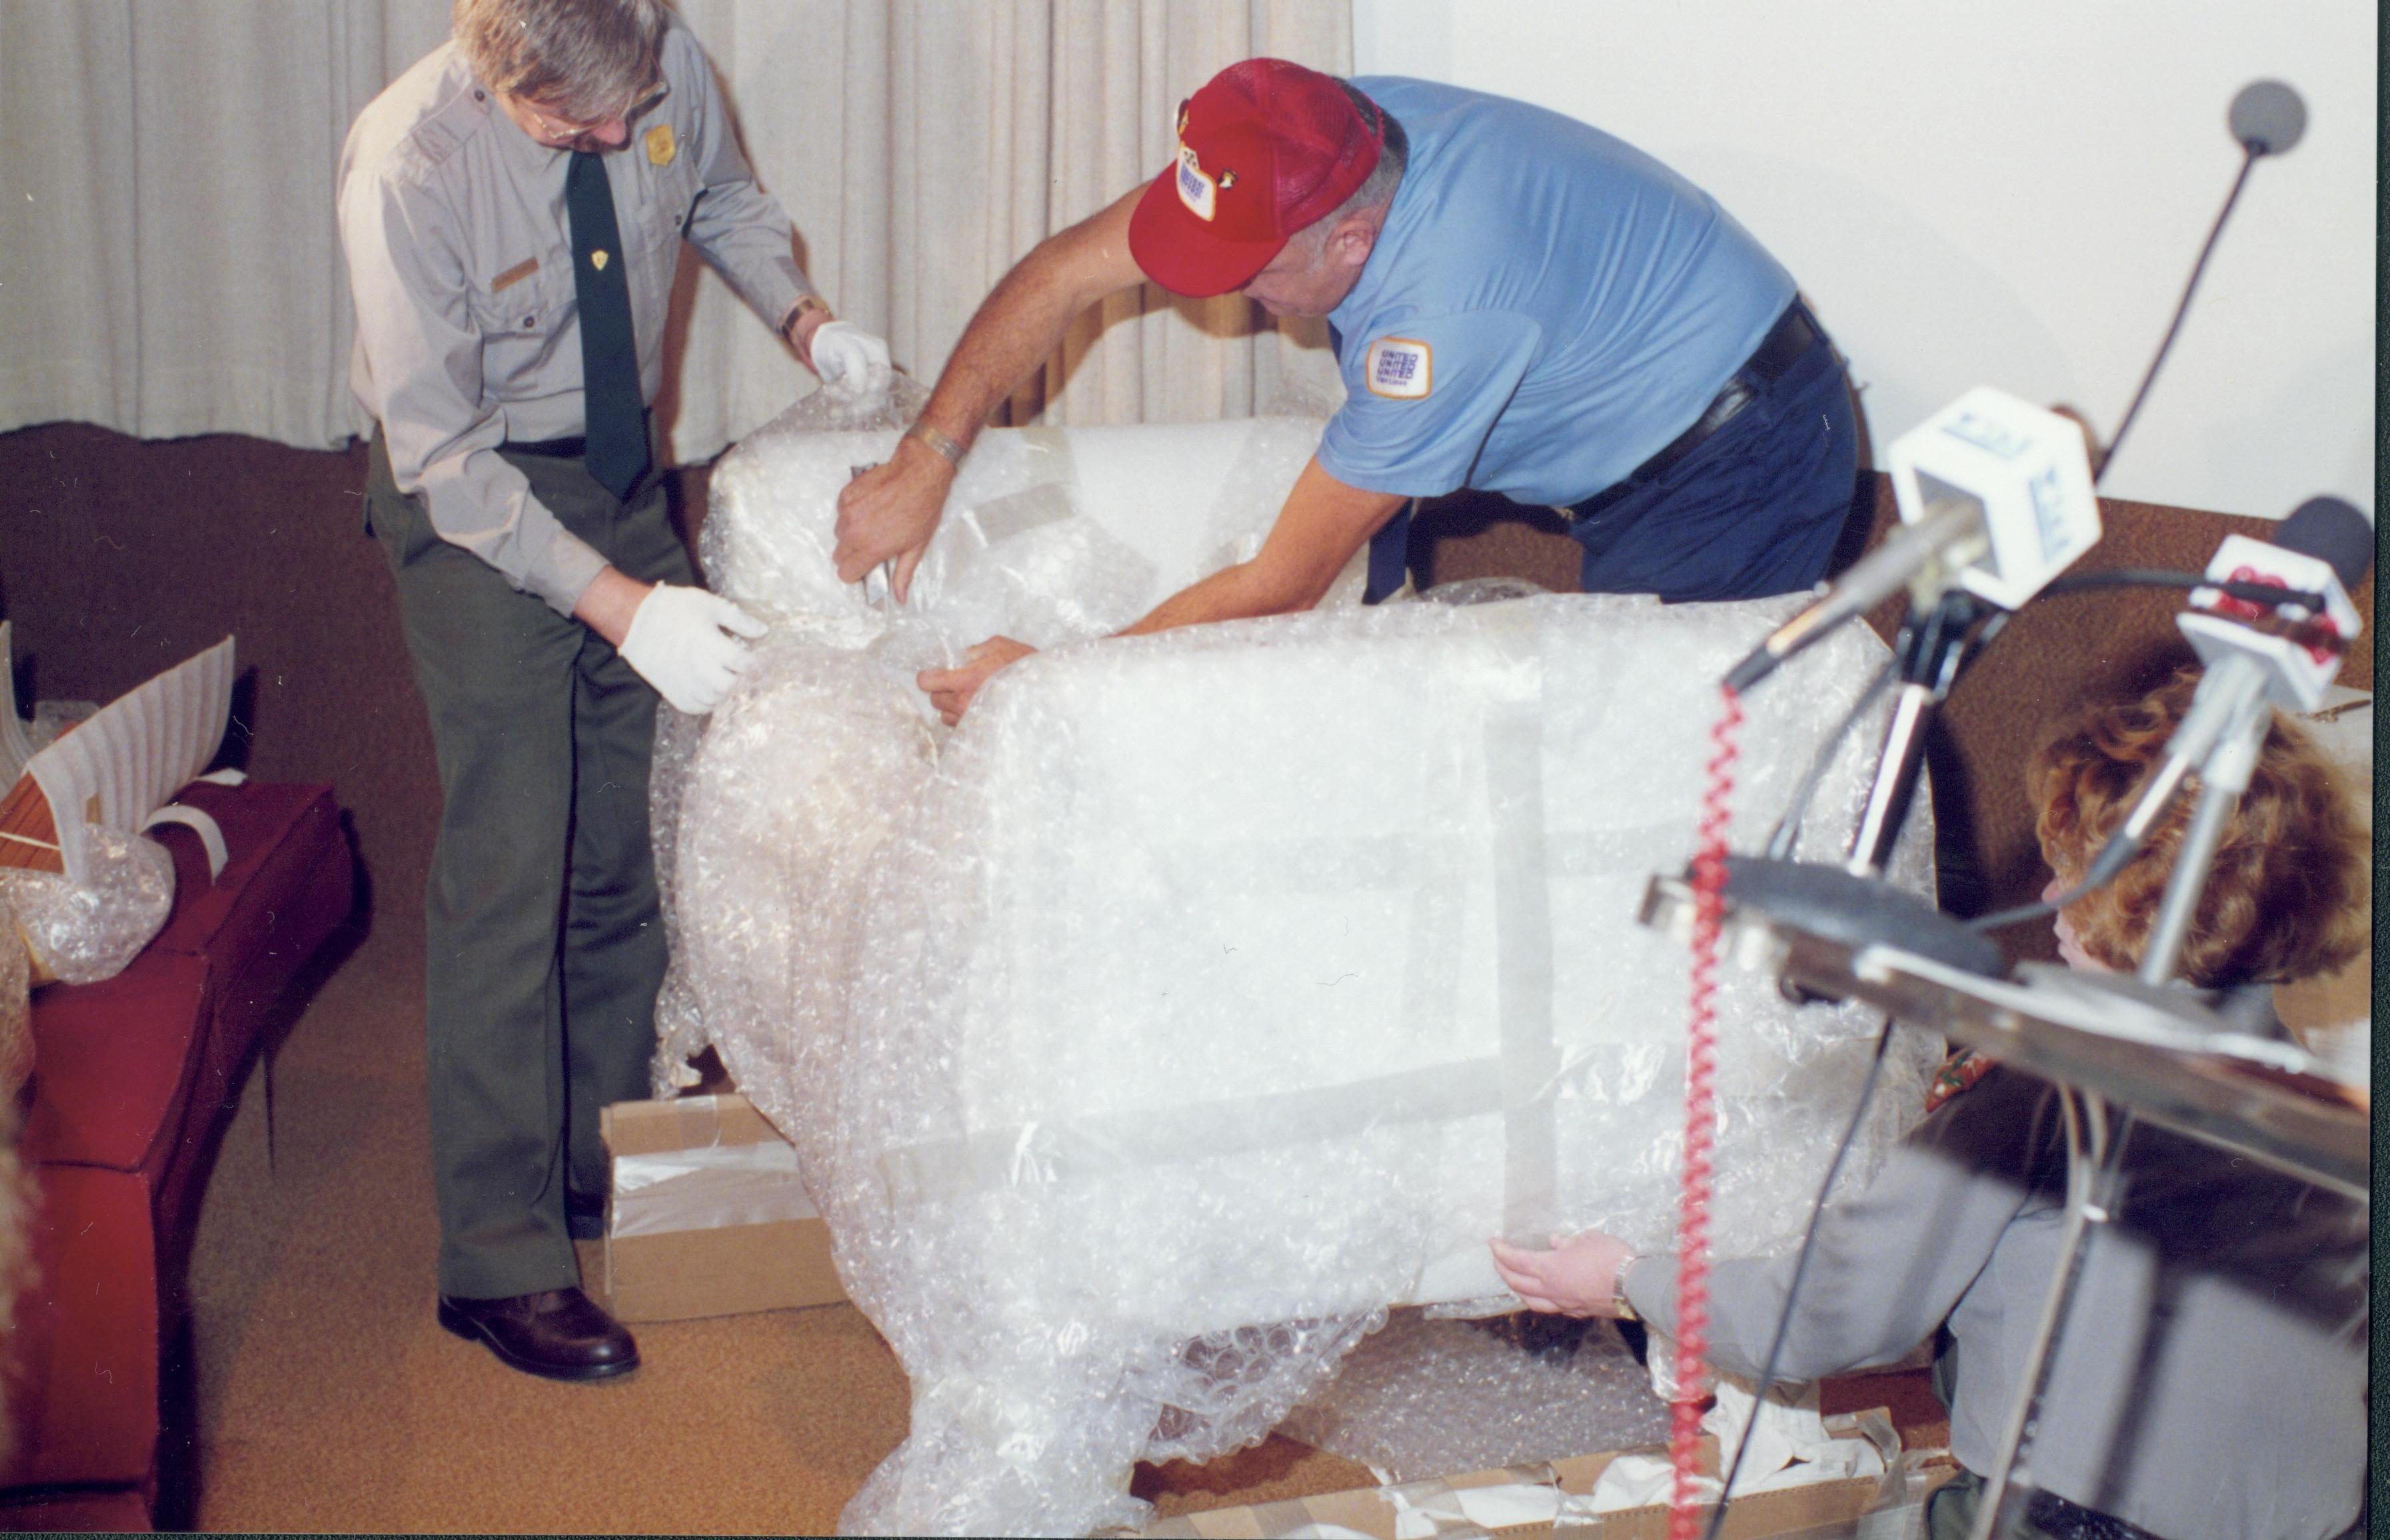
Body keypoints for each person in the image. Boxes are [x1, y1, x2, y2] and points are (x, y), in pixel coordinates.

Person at [1488, 668, 2370, 1540]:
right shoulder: (2332, 1107)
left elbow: (1823, 1320)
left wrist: (1623, 1278)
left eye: (2067, 865)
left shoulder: (2041, 1090)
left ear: (2129, 898)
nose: (2047, 891)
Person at [339, 0, 890, 1381]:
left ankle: (596, 1161)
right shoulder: (407, 163)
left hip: (622, 467)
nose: (605, 137)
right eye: (565, 125)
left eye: (618, 114)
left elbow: (719, 195)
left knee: (629, 853)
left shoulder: (653, 60)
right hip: (479, 500)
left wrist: (807, 321)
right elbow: (446, 460)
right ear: (489, 65)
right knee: (511, 858)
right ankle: (500, 1253)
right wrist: (618, 604)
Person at [831, 59, 1861, 726]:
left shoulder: (1444, 312)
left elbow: (1282, 578)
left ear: (1355, 239)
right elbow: (1062, 272)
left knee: (1676, 761)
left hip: (1737, 452)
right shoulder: (1304, 144)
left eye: (1253, 276)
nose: (1228, 295)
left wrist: (1046, 682)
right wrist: (930, 454)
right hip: (1618, 374)